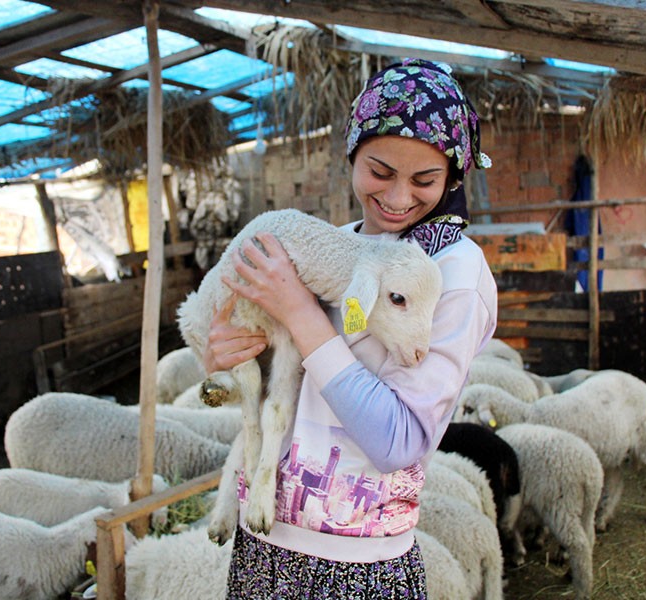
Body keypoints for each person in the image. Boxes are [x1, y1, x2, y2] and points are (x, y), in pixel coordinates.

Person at [203, 58, 498, 599]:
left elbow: (399, 442)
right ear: (352, 156)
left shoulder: (455, 274)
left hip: (356, 564)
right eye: (379, 172)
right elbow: (284, 373)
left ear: (455, 175)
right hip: (261, 539)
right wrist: (227, 355)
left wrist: (298, 310)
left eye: (425, 179)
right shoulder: (330, 246)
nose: (398, 196)